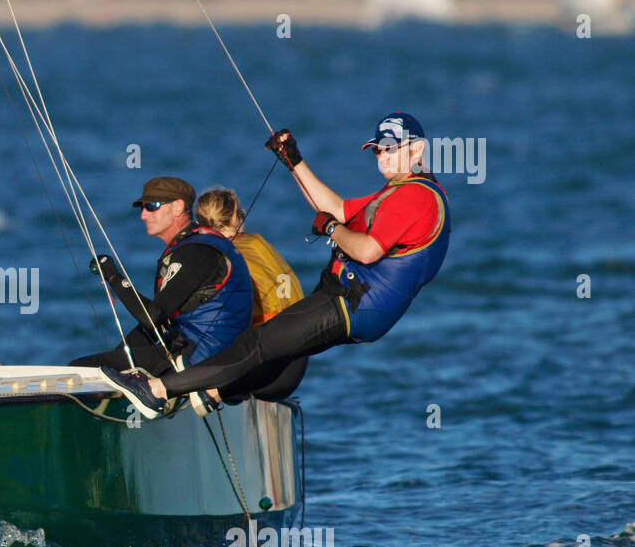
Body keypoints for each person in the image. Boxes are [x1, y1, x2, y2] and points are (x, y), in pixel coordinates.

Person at [102, 112, 451, 418]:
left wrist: (330, 229)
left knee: (259, 343)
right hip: (357, 305)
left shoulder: (415, 196)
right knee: (280, 349)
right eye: (378, 149)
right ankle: (211, 392)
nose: (382, 157)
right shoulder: (402, 191)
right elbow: (338, 208)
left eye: (391, 149)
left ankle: (158, 391)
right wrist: (294, 162)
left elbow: (366, 251)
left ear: (417, 150)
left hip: (352, 304)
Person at [70, 175, 252, 375]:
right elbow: (158, 323)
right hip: (195, 350)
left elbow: (152, 317)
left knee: (80, 369)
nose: (143, 216)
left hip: (204, 359)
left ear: (178, 207)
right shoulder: (192, 246)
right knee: (101, 369)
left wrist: (113, 276)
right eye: (142, 208)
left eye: (152, 206)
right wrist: (118, 356)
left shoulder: (196, 252)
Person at [194, 186, 307, 401]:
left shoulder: (218, 258)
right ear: (235, 219)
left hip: (266, 373)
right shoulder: (258, 242)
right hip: (295, 369)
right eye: (242, 215)